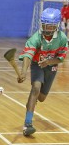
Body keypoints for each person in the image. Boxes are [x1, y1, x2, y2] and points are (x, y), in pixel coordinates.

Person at [18, 8, 68, 136]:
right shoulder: (36, 37)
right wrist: (23, 72)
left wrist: (49, 62)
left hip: (51, 67)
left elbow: (61, 57)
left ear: (56, 26)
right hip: (37, 64)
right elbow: (28, 55)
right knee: (36, 87)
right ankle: (27, 124)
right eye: (46, 25)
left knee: (41, 97)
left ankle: (33, 98)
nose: (48, 29)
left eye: (51, 26)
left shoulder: (62, 38)